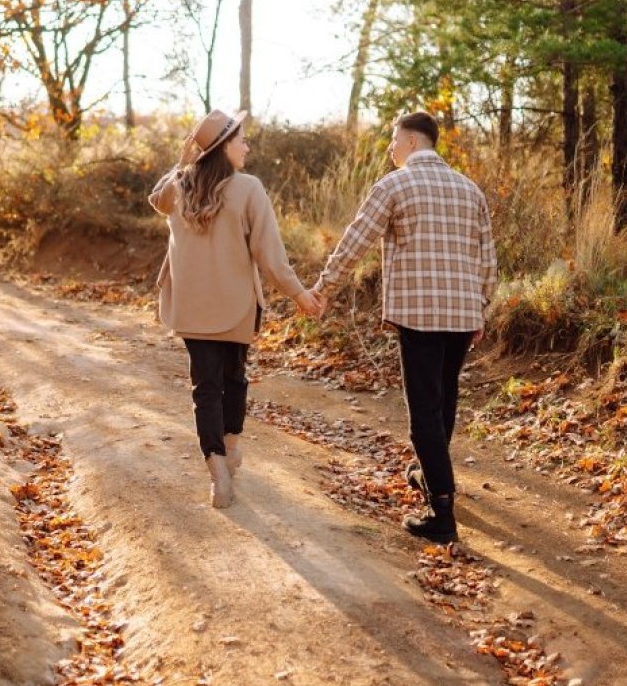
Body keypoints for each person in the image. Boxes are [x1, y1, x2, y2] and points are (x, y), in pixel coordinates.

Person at [312, 111, 496, 543]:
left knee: (423, 416)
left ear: (412, 142)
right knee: (444, 400)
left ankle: (442, 513)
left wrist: (323, 286)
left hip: (420, 314)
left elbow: (355, 240)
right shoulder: (470, 189)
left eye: (394, 140)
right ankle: (428, 474)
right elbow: (488, 260)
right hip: (463, 313)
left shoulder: (394, 185)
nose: (390, 149)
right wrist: (481, 307)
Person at [150, 109, 323, 509]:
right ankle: (231, 447)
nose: (247, 146)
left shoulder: (179, 186)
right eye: (241, 139)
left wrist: (183, 160)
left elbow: (157, 200)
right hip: (236, 306)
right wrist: (299, 294)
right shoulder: (248, 188)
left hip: (191, 308)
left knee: (204, 388)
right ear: (224, 147)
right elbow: (270, 255)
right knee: (235, 379)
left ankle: (217, 473)